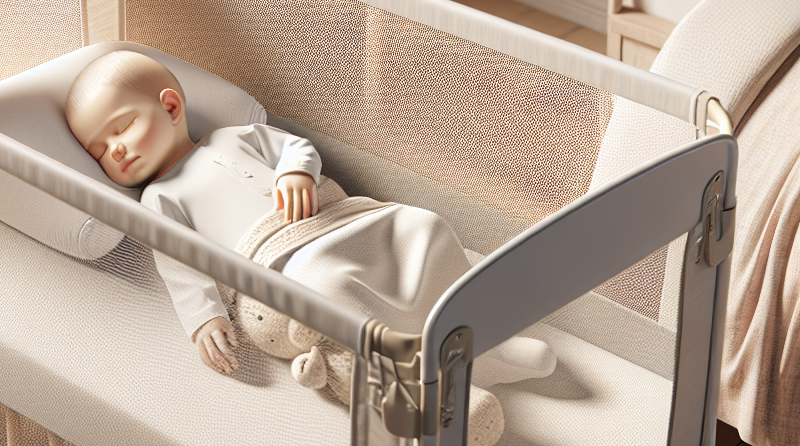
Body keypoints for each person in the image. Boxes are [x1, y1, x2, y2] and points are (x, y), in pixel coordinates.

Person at [66, 51, 554, 397]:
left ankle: (482, 332)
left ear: (171, 107)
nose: (117, 150)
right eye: (100, 150)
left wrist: (298, 170)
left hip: (343, 220)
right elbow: (177, 258)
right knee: (328, 290)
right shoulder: (160, 197)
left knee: (423, 227)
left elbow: (294, 147)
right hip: (282, 268)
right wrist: (204, 319)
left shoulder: (234, 136)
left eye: (122, 127)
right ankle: (425, 375)